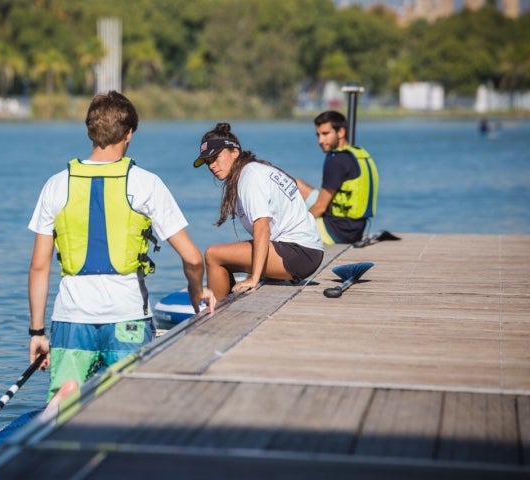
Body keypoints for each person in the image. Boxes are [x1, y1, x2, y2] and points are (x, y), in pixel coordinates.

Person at [27, 91, 216, 408]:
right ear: (129, 134)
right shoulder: (145, 183)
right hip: (127, 317)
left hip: (71, 319)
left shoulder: (56, 184)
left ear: (90, 130)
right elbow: (193, 258)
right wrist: (197, 291)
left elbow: (38, 267)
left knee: (63, 420)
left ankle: (66, 397)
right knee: (128, 407)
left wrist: (37, 331)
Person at [194, 122, 324, 301]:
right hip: (304, 250)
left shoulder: (249, 176)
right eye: (208, 162)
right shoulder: (256, 169)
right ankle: (226, 303)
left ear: (235, 152)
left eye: (216, 158)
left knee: (213, 254)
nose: (212, 166)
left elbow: (262, 227)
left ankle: (215, 316)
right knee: (224, 255)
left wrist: (254, 278)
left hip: (299, 254)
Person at [296, 110, 379, 245]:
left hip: (335, 232)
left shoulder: (337, 161)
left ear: (340, 132)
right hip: (355, 229)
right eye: (318, 135)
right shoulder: (358, 153)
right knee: (295, 184)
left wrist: (293, 227)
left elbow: (320, 208)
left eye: (325, 134)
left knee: (285, 230)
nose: (320, 140)